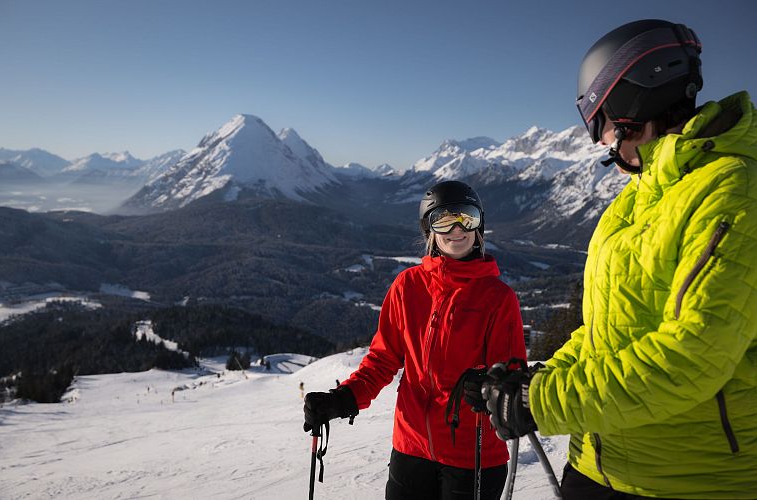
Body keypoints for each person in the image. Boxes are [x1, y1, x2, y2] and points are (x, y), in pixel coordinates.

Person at [482, 19, 757, 499]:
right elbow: (603, 330)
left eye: (603, 120)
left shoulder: (732, 190)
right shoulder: (633, 202)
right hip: (595, 462)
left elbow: (692, 356)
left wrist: (543, 402)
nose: (601, 139)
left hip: (688, 479)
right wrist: (539, 379)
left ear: (636, 98)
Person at [303, 180, 526, 500]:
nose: (457, 229)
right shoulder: (407, 287)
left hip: (473, 456)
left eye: (467, 217)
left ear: (479, 227)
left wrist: (490, 386)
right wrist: (342, 400)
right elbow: (381, 360)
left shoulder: (498, 298)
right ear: (429, 230)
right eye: (444, 220)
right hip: (411, 450)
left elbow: (511, 374)